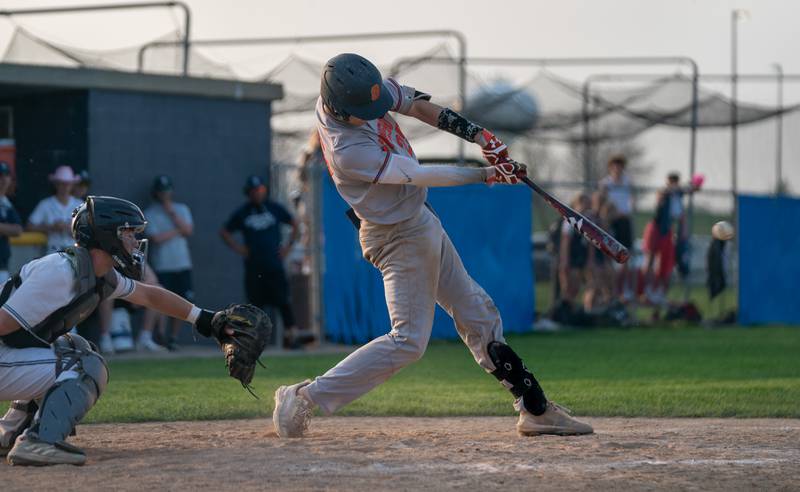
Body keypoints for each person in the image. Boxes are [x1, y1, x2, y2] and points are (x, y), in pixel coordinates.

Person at [272, 53, 592, 438]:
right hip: (395, 234)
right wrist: (488, 174)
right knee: (408, 340)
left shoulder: (359, 92)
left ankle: (534, 408)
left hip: (418, 222)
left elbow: (419, 106)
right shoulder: (347, 150)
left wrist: (480, 136)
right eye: (365, 111)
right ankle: (303, 397)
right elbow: (419, 174)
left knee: (478, 313)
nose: (376, 112)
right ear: (340, 109)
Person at [0, 195, 239, 466]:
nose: (135, 241)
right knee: (83, 365)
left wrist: (204, 319)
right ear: (106, 236)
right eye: (128, 232)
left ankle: (11, 431)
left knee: (75, 347)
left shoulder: (94, 273)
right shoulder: (60, 273)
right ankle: (38, 443)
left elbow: (149, 296)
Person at [220, 175, 312, 349]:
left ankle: (292, 337)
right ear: (248, 193)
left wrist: (288, 246)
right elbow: (225, 231)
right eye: (253, 191)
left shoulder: (274, 208)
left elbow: (294, 223)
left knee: (283, 301)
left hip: (274, 265)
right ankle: (254, 339)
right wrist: (240, 249)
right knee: (255, 304)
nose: (257, 194)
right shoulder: (243, 212)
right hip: (254, 266)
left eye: (260, 190)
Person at [144, 175, 194, 351]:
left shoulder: (181, 209)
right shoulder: (150, 212)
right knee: (162, 301)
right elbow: (156, 238)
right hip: (163, 265)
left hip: (182, 263)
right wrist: (177, 230)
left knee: (183, 300)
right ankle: (160, 334)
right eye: (161, 192)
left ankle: (173, 337)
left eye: (167, 191)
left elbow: (188, 230)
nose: (164, 194)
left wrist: (171, 213)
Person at [638, 172, 697, 305]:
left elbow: (687, 193)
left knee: (665, 264)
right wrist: (677, 189)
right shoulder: (664, 193)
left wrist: (692, 186)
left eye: (675, 181)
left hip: (668, 232)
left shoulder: (678, 196)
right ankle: (645, 290)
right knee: (650, 260)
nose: (674, 184)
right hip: (656, 229)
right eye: (671, 181)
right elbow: (662, 195)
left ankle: (657, 292)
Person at [598, 155, 635, 301]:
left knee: (626, 256)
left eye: (620, 165)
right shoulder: (605, 183)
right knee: (608, 257)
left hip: (624, 222)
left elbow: (631, 201)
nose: (617, 168)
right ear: (610, 167)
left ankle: (621, 290)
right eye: (615, 165)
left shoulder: (627, 182)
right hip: (610, 222)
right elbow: (601, 202)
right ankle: (609, 291)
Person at [27, 165, 83, 254]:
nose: (65, 187)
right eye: (61, 183)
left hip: (74, 252)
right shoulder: (45, 204)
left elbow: (89, 229)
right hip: (53, 252)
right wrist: (51, 227)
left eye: (67, 183)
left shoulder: (80, 204)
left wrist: (72, 229)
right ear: (56, 184)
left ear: (72, 185)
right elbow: (30, 226)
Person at [0, 162, 22, 284]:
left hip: (2, 265)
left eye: (6, 175)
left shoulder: (7, 203)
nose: (3, 179)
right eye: (0, 175)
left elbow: (18, 229)